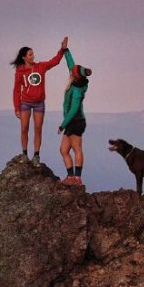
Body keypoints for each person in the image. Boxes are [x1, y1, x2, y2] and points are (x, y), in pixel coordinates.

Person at [11, 38, 67, 167]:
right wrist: (16, 108)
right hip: (25, 102)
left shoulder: (41, 67)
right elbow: (16, 90)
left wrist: (62, 49)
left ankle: (36, 155)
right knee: (24, 128)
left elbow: (55, 61)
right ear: (24, 57)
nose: (33, 56)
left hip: (39, 103)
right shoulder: (20, 71)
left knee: (38, 128)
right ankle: (24, 154)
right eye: (30, 54)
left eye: (33, 53)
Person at [58, 37, 92, 184]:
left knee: (77, 148)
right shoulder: (77, 79)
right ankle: (71, 176)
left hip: (75, 121)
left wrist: (62, 125)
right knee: (64, 150)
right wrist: (66, 50)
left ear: (75, 77)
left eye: (72, 72)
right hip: (73, 122)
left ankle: (77, 178)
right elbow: (71, 64)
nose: (70, 72)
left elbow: (73, 110)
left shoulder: (77, 91)